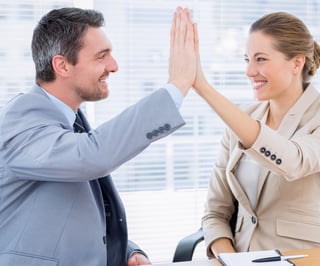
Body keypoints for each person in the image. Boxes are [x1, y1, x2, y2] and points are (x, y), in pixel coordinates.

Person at [0, 6, 196, 266]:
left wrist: (126, 251)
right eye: (101, 56)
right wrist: (177, 86)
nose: (113, 66)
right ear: (62, 65)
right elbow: (92, 155)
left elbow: (74, 214)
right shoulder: (20, 122)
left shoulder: (70, 119)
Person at [191, 11, 320, 257]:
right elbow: (215, 212)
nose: (249, 71)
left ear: (296, 63)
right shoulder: (242, 119)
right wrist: (231, 260)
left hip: (307, 259)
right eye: (247, 59)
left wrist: (204, 88)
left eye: (260, 59)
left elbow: (292, 161)